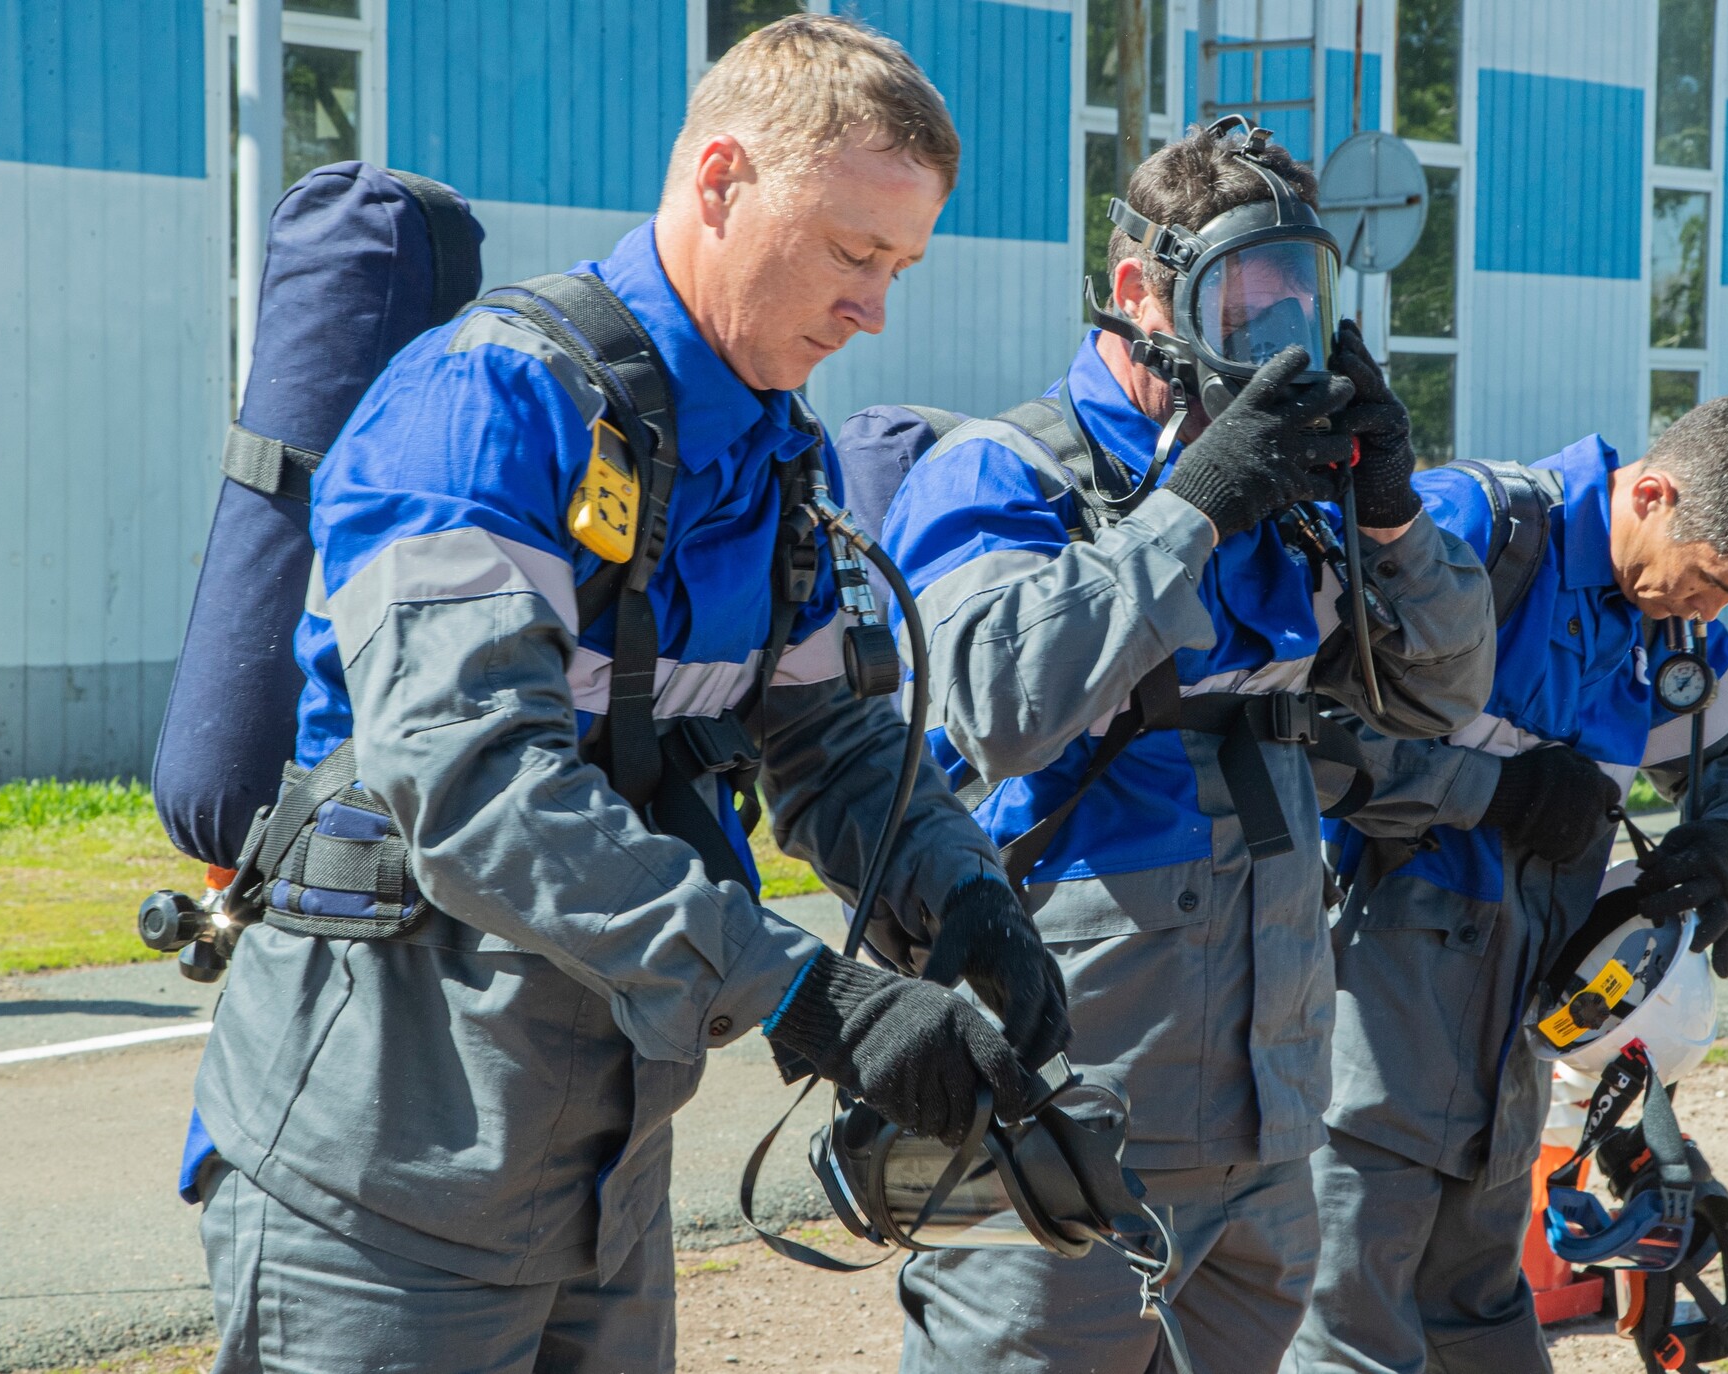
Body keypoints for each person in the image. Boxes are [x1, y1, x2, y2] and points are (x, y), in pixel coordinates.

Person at [186, 17, 1068, 1371]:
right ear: (719, 180)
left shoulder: (771, 459)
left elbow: (826, 738)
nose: (876, 306)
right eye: (851, 251)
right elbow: (475, 784)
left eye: (899, 266)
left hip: (603, 1181)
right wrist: (804, 990)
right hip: (382, 1184)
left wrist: (963, 893)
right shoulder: (486, 405)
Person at [879, 121, 1498, 1373]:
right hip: (1064, 1104)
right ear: (1137, 291)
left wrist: (1386, 519)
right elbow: (993, 705)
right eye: (1239, 301)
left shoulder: (1289, 498)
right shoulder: (1000, 472)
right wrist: (1191, 505)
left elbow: (1439, 695)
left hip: (1264, 1117)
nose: (1271, 339)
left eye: (1295, 305)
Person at [1286, 396, 1728, 1374]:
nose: (1704, 616)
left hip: (1505, 1063)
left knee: (1477, 1328)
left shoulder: (1658, 622)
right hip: (1360, 1049)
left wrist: (1722, 846)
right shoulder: (1470, 537)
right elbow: (1292, 738)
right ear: (1656, 493)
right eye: (1708, 582)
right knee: (1344, 1343)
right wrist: (1493, 793)